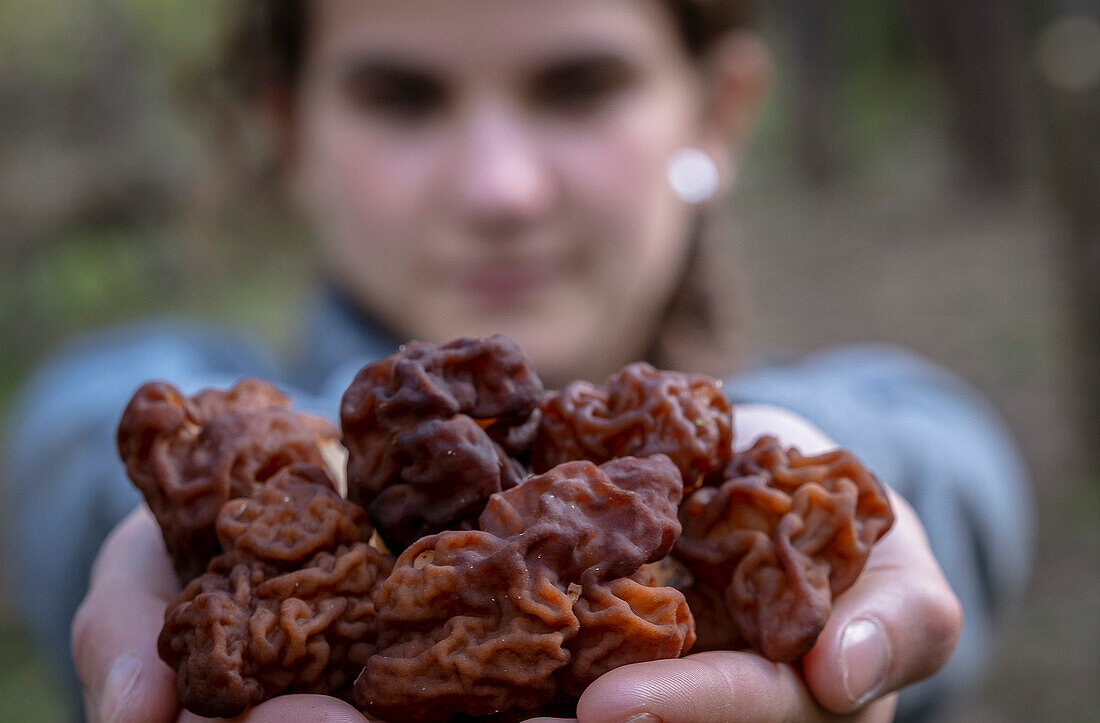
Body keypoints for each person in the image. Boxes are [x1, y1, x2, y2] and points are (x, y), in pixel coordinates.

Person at [1, 1, 1031, 721]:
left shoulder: (827, 412)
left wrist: (782, 466)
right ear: (287, 134)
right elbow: (77, 436)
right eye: (401, 97)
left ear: (716, 114)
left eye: (577, 88)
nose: (498, 187)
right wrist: (290, 484)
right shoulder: (187, 388)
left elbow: (939, 448)